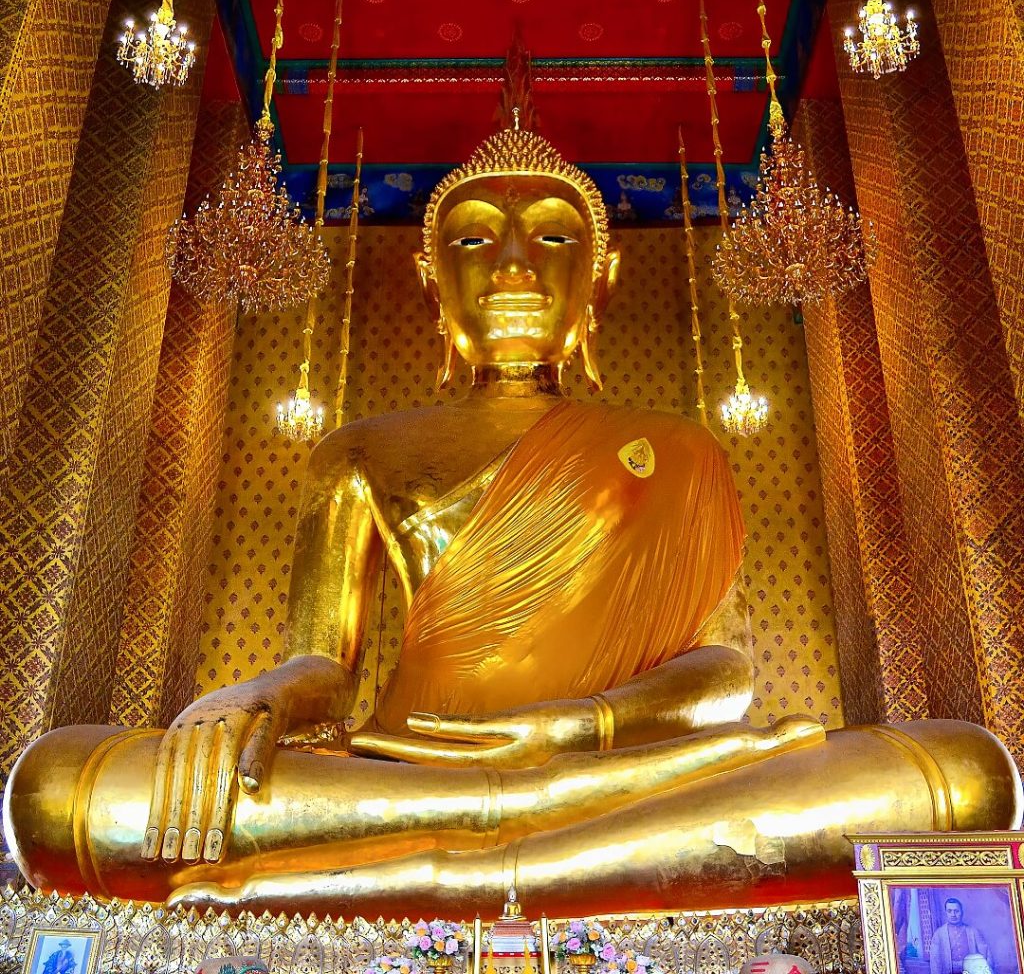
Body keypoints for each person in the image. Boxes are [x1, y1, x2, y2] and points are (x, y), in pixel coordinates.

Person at [4, 110, 1022, 919]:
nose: (515, 271)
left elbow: (722, 674)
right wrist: (258, 695)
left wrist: (575, 728)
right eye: (474, 240)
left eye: (554, 238)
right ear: (431, 279)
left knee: (954, 775)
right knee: (68, 787)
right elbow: (325, 663)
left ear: (601, 278)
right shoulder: (358, 450)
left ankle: (425, 876)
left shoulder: (674, 447)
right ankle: (532, 867)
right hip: (407, 773)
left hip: (621, 772)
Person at [930, 898, 993, 974]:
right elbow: (935, 961)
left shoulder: (973, 931)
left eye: (956, 911)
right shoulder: (939, 934)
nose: (953, 915)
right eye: (949, 911)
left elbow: (986, 953)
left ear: (962, 912)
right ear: (945, 913)